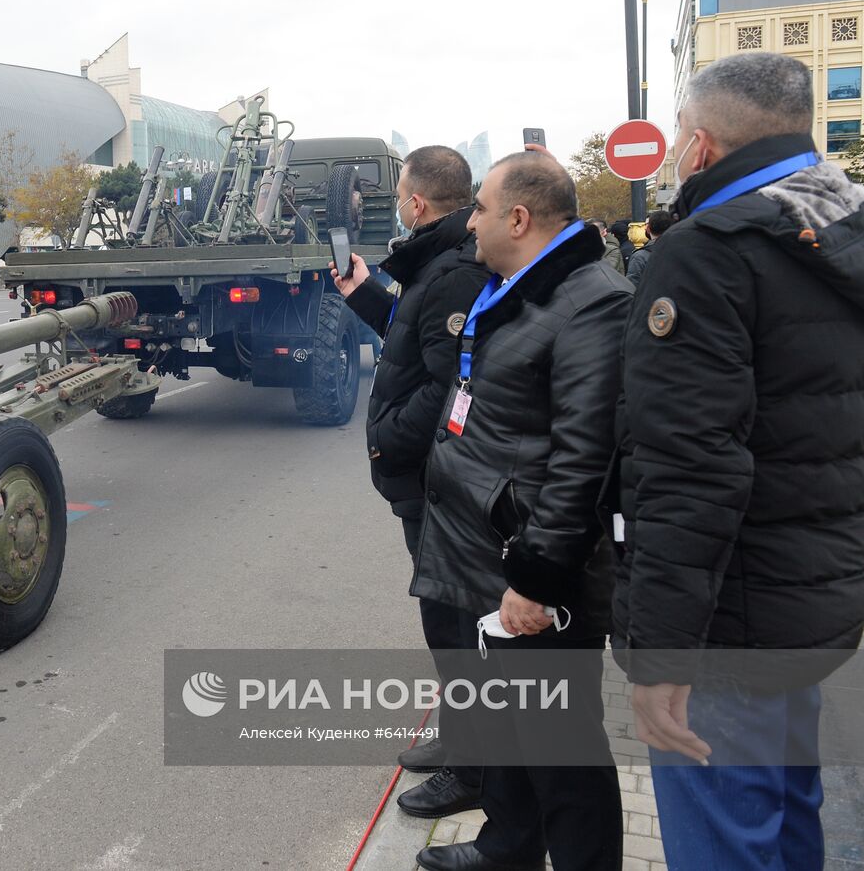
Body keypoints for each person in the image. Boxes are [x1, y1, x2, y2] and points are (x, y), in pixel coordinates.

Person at [615, 51, 864, 871]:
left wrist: (661, 656)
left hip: (730, 618)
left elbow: (688, 469)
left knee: (725, 834)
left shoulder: (711, 251)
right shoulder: (841, 228)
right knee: (788, 815)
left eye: (683, 132)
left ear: (702, 144)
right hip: (810, 601)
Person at [411, 152, 630, 871]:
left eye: (478, 208)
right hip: (488, 550)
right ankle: (505, 848)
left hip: (533, 566)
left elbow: (583, 458)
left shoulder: (592, 301)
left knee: (561, 747)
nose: (467, 221)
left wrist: (537, 579)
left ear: (518, 218)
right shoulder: (520, 291)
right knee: (508, 726)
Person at [331, 145, 490, 818]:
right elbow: (412, 337)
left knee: (455, 624)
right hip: (427, 477)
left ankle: (475, 770)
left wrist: (390, 438)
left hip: (438, 477)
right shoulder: (437, 263)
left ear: (418, 201)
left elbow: (447, 379)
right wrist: (364, 293)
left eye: (400, 191)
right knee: (441, 618)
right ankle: (459, 740)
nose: (397, 200)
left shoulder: (452, 271)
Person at [623, 209, 672, 287]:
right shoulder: (683, 250)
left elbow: (632, 287)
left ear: (649, 229)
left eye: (646, 224)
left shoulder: (640, 257)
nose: (645, 228)